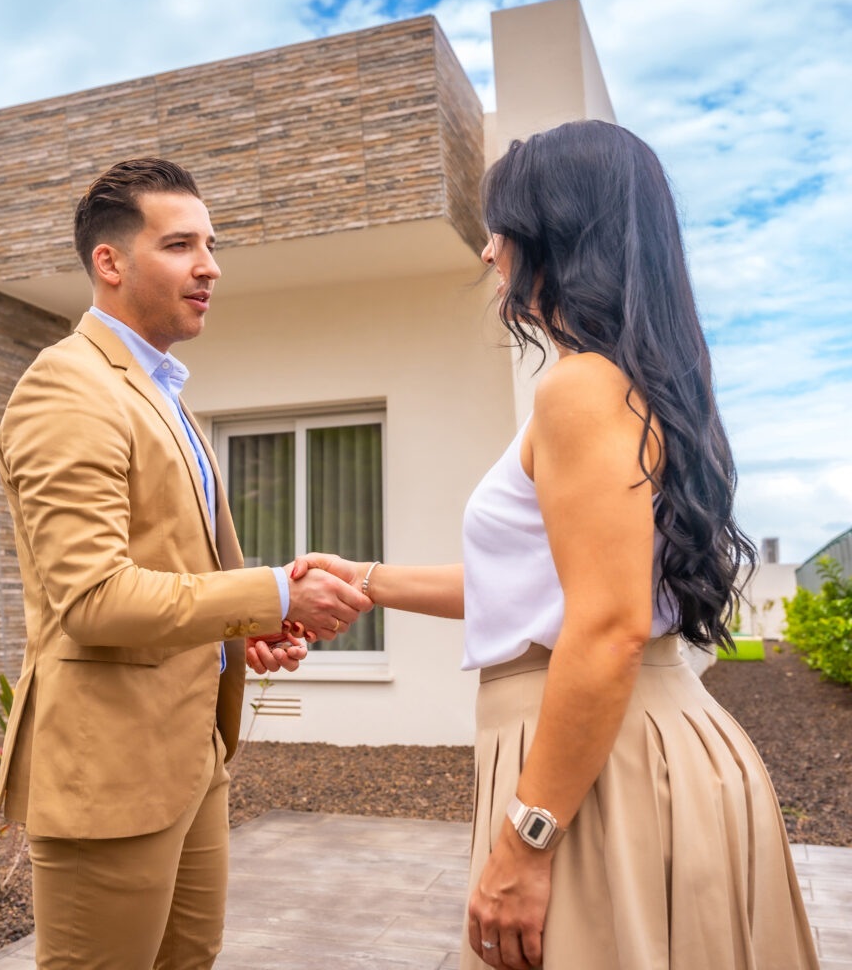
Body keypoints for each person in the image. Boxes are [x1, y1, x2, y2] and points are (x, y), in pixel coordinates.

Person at [292, 121, 820, 969]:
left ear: (557, 238)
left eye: (502, 231)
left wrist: (528, 839)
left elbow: (605, 627)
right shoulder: (636, 385)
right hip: (626, 750)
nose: (490, 256)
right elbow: (548, 588)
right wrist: (366, 580)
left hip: (597, 768)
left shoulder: (579, 390)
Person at [0, 157, 372, 970]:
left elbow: (174, 569)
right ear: (110, 262)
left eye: (211, 243)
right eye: (180, 245)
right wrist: (274, 592)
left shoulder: (165, 394)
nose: (211, 266)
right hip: (111, 774)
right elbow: (93, 598)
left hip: (193, 754)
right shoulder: (67, 387)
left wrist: (244, 633)